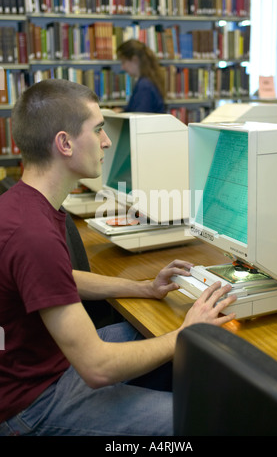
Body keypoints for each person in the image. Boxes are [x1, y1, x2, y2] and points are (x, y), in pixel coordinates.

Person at [0, 79, 236, 436]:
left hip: (46, 364)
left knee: (147, 333)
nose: (107, 141)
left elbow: (58, 278)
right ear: (64, 143)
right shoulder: (32, 233)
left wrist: (143, 287)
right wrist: (188, 332)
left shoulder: (21, 203)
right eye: (97, 130)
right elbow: (96, 367)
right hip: (35, 405)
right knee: (203, 421)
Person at [116, 39, 166, 113]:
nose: (122, 67)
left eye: (123, 62)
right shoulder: (147, 81)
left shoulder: (144, 85)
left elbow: (139, 117)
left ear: (135, 60)